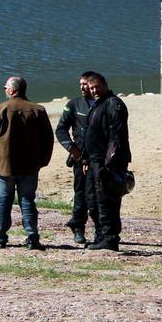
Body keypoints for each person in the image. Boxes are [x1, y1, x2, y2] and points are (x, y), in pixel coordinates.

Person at [0, 76, 54, 250]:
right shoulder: (38, 110)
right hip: (30, 165)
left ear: (12, 90)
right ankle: (32, 236)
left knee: (4, 201)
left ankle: (0, 238)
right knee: (27, 200)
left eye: (5, 87)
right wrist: (43, 160)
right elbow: (48, 139)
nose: (5, 90)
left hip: (4, 165)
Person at [84, 72, 132, 251]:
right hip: (94, 160)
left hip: (108, 163)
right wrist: (84, 158)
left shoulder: (113, 104)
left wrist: (109, 164)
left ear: (104, 84)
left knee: (107, 201)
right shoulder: (98, 104)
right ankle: (100, 235)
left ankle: (110, 238)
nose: (94, 90)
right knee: (93, 201)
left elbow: (116, 137)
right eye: (91, 88)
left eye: (97, 87)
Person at [56, 71, 98, 244]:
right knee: (81, 194)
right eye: (79, 84)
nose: (81, 87)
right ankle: (78, 228)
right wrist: (73, 151)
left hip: (99, 158)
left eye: (85, 84)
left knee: (98, 195)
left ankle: (101, 230)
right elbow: (60, 130)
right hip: (80, 158)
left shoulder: (104, 104)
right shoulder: (74, 104)